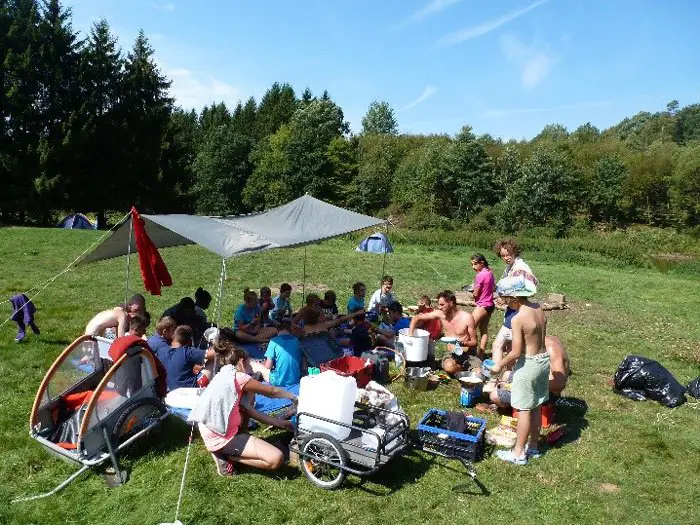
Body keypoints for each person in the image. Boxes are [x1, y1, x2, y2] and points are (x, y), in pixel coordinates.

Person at [191, 327, 297, 476]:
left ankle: (236, 444)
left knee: (248, 402)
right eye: (249, 363)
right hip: (221, 437)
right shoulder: (239, 377)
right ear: (242, 361)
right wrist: (293, 396)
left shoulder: (223, 375)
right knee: (276, 458)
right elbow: (272, 392)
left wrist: (279, 423)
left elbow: (249, 410)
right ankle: (227, 456)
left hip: (212, 430)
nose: (251, 368)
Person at [490, 276, 549, 466]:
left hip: (529, 365)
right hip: (543, 361)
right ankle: (533, 446)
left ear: (514, 298)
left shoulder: (518, 318)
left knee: (523, 409)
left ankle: (518, 453)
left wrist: (499, 365)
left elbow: (515, 352)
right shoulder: (538, 308)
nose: (505, 304)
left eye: (506, 300)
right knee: (536, 405)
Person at [490, 335, 570, 409]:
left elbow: (559, 384)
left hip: (547, 394)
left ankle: (519, 412)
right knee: (506, 375)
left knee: (494, 395)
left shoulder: (552, 350)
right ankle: (512, 405)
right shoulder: (539, 341)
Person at [491, 239, 538, 365]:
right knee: (508, 347)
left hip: (518, 312)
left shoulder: (520, 268)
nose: (506, 258)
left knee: (499, 345)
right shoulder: (510, 268)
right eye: (503, 256)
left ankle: (496, 376)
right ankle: (507, 377)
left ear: (515, 252)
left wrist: (505, 298)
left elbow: (525, 290)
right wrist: (502, 297)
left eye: (508, 254)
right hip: (512, 310)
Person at [408, 290, 478, 374]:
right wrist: (410, 335)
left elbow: (474, 342)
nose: (439, 307)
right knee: (449, 367)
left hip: (468, 352)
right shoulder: (440, 314)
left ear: (451, 303)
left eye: (442, 305)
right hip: (452, 353)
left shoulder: (467, 318)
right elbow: (416, 318)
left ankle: (468, 369)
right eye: (439, 305)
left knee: (479, 372)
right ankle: (463, 370)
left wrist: (462, 343)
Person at [164, 325, 215, 391]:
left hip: (172, 392)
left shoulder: (166, 353)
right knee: (212, 361)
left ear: (174, 337)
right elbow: (213, 354)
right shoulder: (187, 352)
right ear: (190, 340)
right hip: (191, 391)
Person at [263, 320, 304, 387]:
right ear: (290, 331)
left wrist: (262, 363)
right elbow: (303, 363)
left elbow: (268, 366)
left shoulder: (273, 341)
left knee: (256, 365)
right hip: (296, 379)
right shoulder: (297, 340)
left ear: (277, 331)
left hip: (278, 381)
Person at [470, 254, 496, 358]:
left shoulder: (480, 275)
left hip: (482, 305)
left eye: (475, 264)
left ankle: (469, 352)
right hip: (490, 305)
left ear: (482, 263)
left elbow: (476, 293)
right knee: (483, 330)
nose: (473, 267)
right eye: (472, 264)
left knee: (469, 328)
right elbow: (493, 288)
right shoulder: (490, 272)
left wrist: (473, 294)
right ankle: (480, 354)